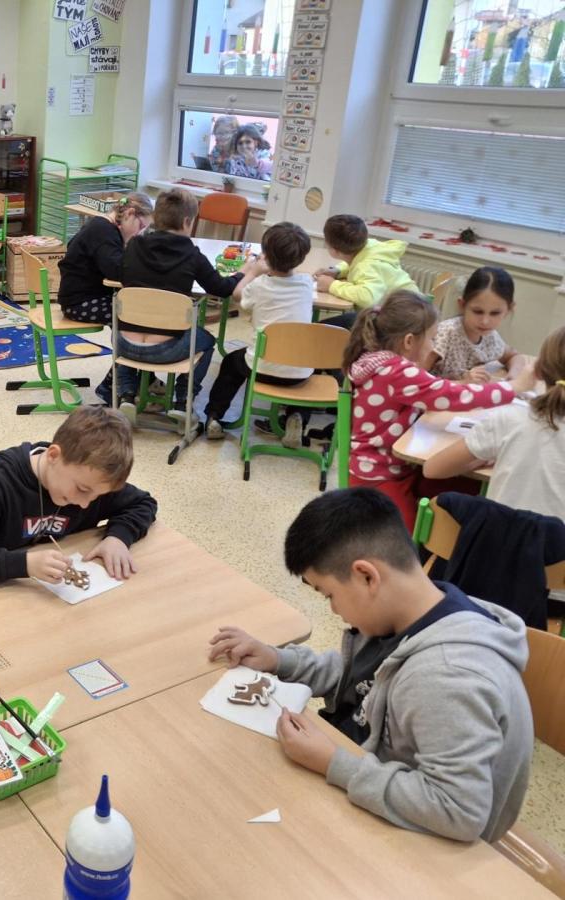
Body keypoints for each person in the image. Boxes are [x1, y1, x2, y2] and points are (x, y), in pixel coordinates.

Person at [208, 487, 532, 844]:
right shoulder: (413, 610)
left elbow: (458, 811)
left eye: (328, 595)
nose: (333, 609)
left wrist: (334, 763)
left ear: (366, 576)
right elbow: (366, 678)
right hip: (368, 775)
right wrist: (278, 659)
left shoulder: (447, 676)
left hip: (419, 834)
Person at [342, 290, 534, 530]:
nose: (434, 345)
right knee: (406, 538)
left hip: (394, 466)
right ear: (409, 341)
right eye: (432, 339)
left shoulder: (384, 363)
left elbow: (438, 390)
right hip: (379, 474)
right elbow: (452, 396)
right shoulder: (397, 371)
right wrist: (515, 387)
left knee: (461, 488)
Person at [0, 405, 157, 585]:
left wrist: (118, 537)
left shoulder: (91, 482)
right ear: (53, 455)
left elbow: (143, 503)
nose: (85, 504)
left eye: (98, 495)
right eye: (82, 490)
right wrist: (23, 564)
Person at [117, 189, 248, 410]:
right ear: (187, 222)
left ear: (156, 217)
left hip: (123, 344)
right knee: (207, 341)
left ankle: (127, 395)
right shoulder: (191, 255)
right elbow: (222, 289)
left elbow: (123, 278)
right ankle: (183, 400)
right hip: (167, 349)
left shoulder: (134, 245)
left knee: (133, 322)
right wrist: (244, 273)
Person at [425, 325, 565, 521]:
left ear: (538, 370)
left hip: (496, 537)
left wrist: (481, 457)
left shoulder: (509, 418)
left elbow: (432, 469)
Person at [204, 221, 313, 445]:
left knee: (231, 363)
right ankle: (295, 417)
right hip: (299, 373)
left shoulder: (260, 285)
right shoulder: (306, 284)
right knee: (311, 370)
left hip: (260, 369)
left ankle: (214, 416)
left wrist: (253, 270)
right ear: (302, 258)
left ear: (267, 256)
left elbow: (237, 295)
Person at [53, 192, 153, 407]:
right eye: (141, 226)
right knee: (134, 319)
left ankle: (141, 379)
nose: (140, 233)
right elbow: (117, 271)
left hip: (85, 296)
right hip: (80, 302)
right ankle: (115, 384)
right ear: (130, 214)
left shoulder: (103, 228)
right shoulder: (103, 232)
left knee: (137, 316)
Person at [426, 266, 531, 383]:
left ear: (509, 309)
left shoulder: (490, 336)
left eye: (495, 313)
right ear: (462, 305)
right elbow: (417, 381)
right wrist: (463, 382)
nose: (485, 321)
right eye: (478, 311)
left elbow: (514, 356)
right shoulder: (445, 334)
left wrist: (513, 377)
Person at [315, 215, 418, 331]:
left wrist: (332, 285)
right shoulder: (370, 246)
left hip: (404, 321)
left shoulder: (366, 266)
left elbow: (368, 298)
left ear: (334, 250)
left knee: (325, 329)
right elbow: (355, 261)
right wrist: (337, 271)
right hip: (413, 310)